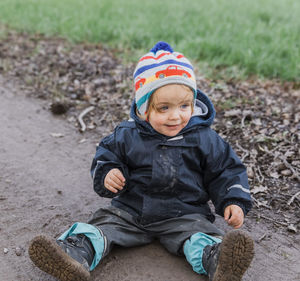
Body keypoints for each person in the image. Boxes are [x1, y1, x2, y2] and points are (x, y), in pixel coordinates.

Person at [29, 41, 254, 281]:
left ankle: (218, 260)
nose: (175, 116)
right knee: (101, 227)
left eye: (184, 106)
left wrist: (234, 200)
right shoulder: (126, 135)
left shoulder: (205, 139)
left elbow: (226, 170)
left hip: (185, 214)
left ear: (194, 102)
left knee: (200, 238)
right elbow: (106, 156)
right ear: (143, 109)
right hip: (131, 210)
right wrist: (109, 172)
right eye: (164, 108)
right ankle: (74, 255)